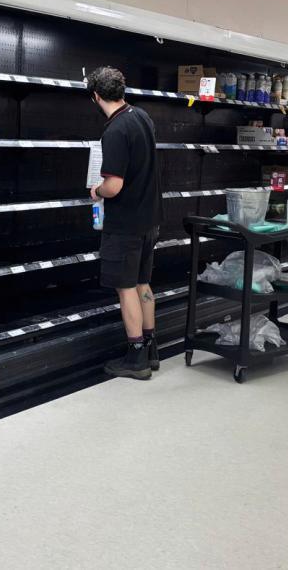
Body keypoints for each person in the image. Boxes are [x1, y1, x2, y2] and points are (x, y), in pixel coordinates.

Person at [87, 66, 164, 381]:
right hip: (150, 220)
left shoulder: (115, 130)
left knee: (126, 288)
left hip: (126, 224)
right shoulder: (141, 117)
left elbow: (114, 186)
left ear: (95, 96)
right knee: (143, 284)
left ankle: (136, 359)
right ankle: (150, 347)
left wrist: (96, 191)